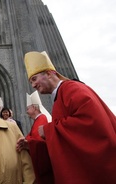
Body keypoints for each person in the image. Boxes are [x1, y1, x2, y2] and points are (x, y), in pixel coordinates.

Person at [22, 51, 116, 184]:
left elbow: (92, 122)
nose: (33, 85)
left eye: (34, 79)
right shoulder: (60, 97)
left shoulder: (72, 88)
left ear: (49, 73)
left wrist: (48, 130)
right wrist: (32, 145)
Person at [18, 91, 54, 184]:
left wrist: (27, 142)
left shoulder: (42, 118)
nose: (26, 111)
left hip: (43, 163)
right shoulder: (38, 119)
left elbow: (39, 140)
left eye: (27, 108)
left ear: (34, 107)